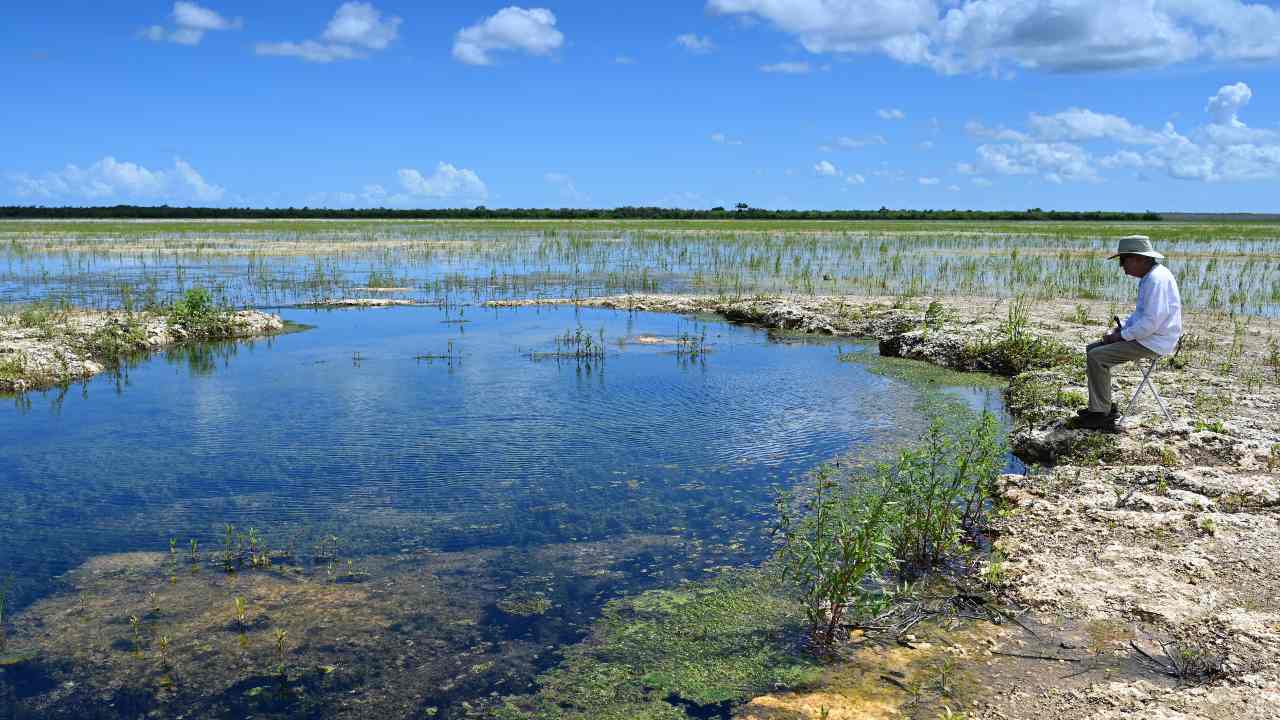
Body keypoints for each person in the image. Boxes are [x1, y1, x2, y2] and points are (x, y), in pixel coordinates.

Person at [1074, 235, 1182, 430]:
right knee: (1092, 349)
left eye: (1124, 261)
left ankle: (1101, 415)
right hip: (1149, 336)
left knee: (1098, 356)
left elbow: (1151, 323)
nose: (1122, 267)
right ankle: (1101, 407)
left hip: (1154, 341)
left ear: (1138, 258)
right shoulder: (1151, 276)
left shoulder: (1155, 280)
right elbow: (1141, 316)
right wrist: (1121, 327)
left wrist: (1119, 336)